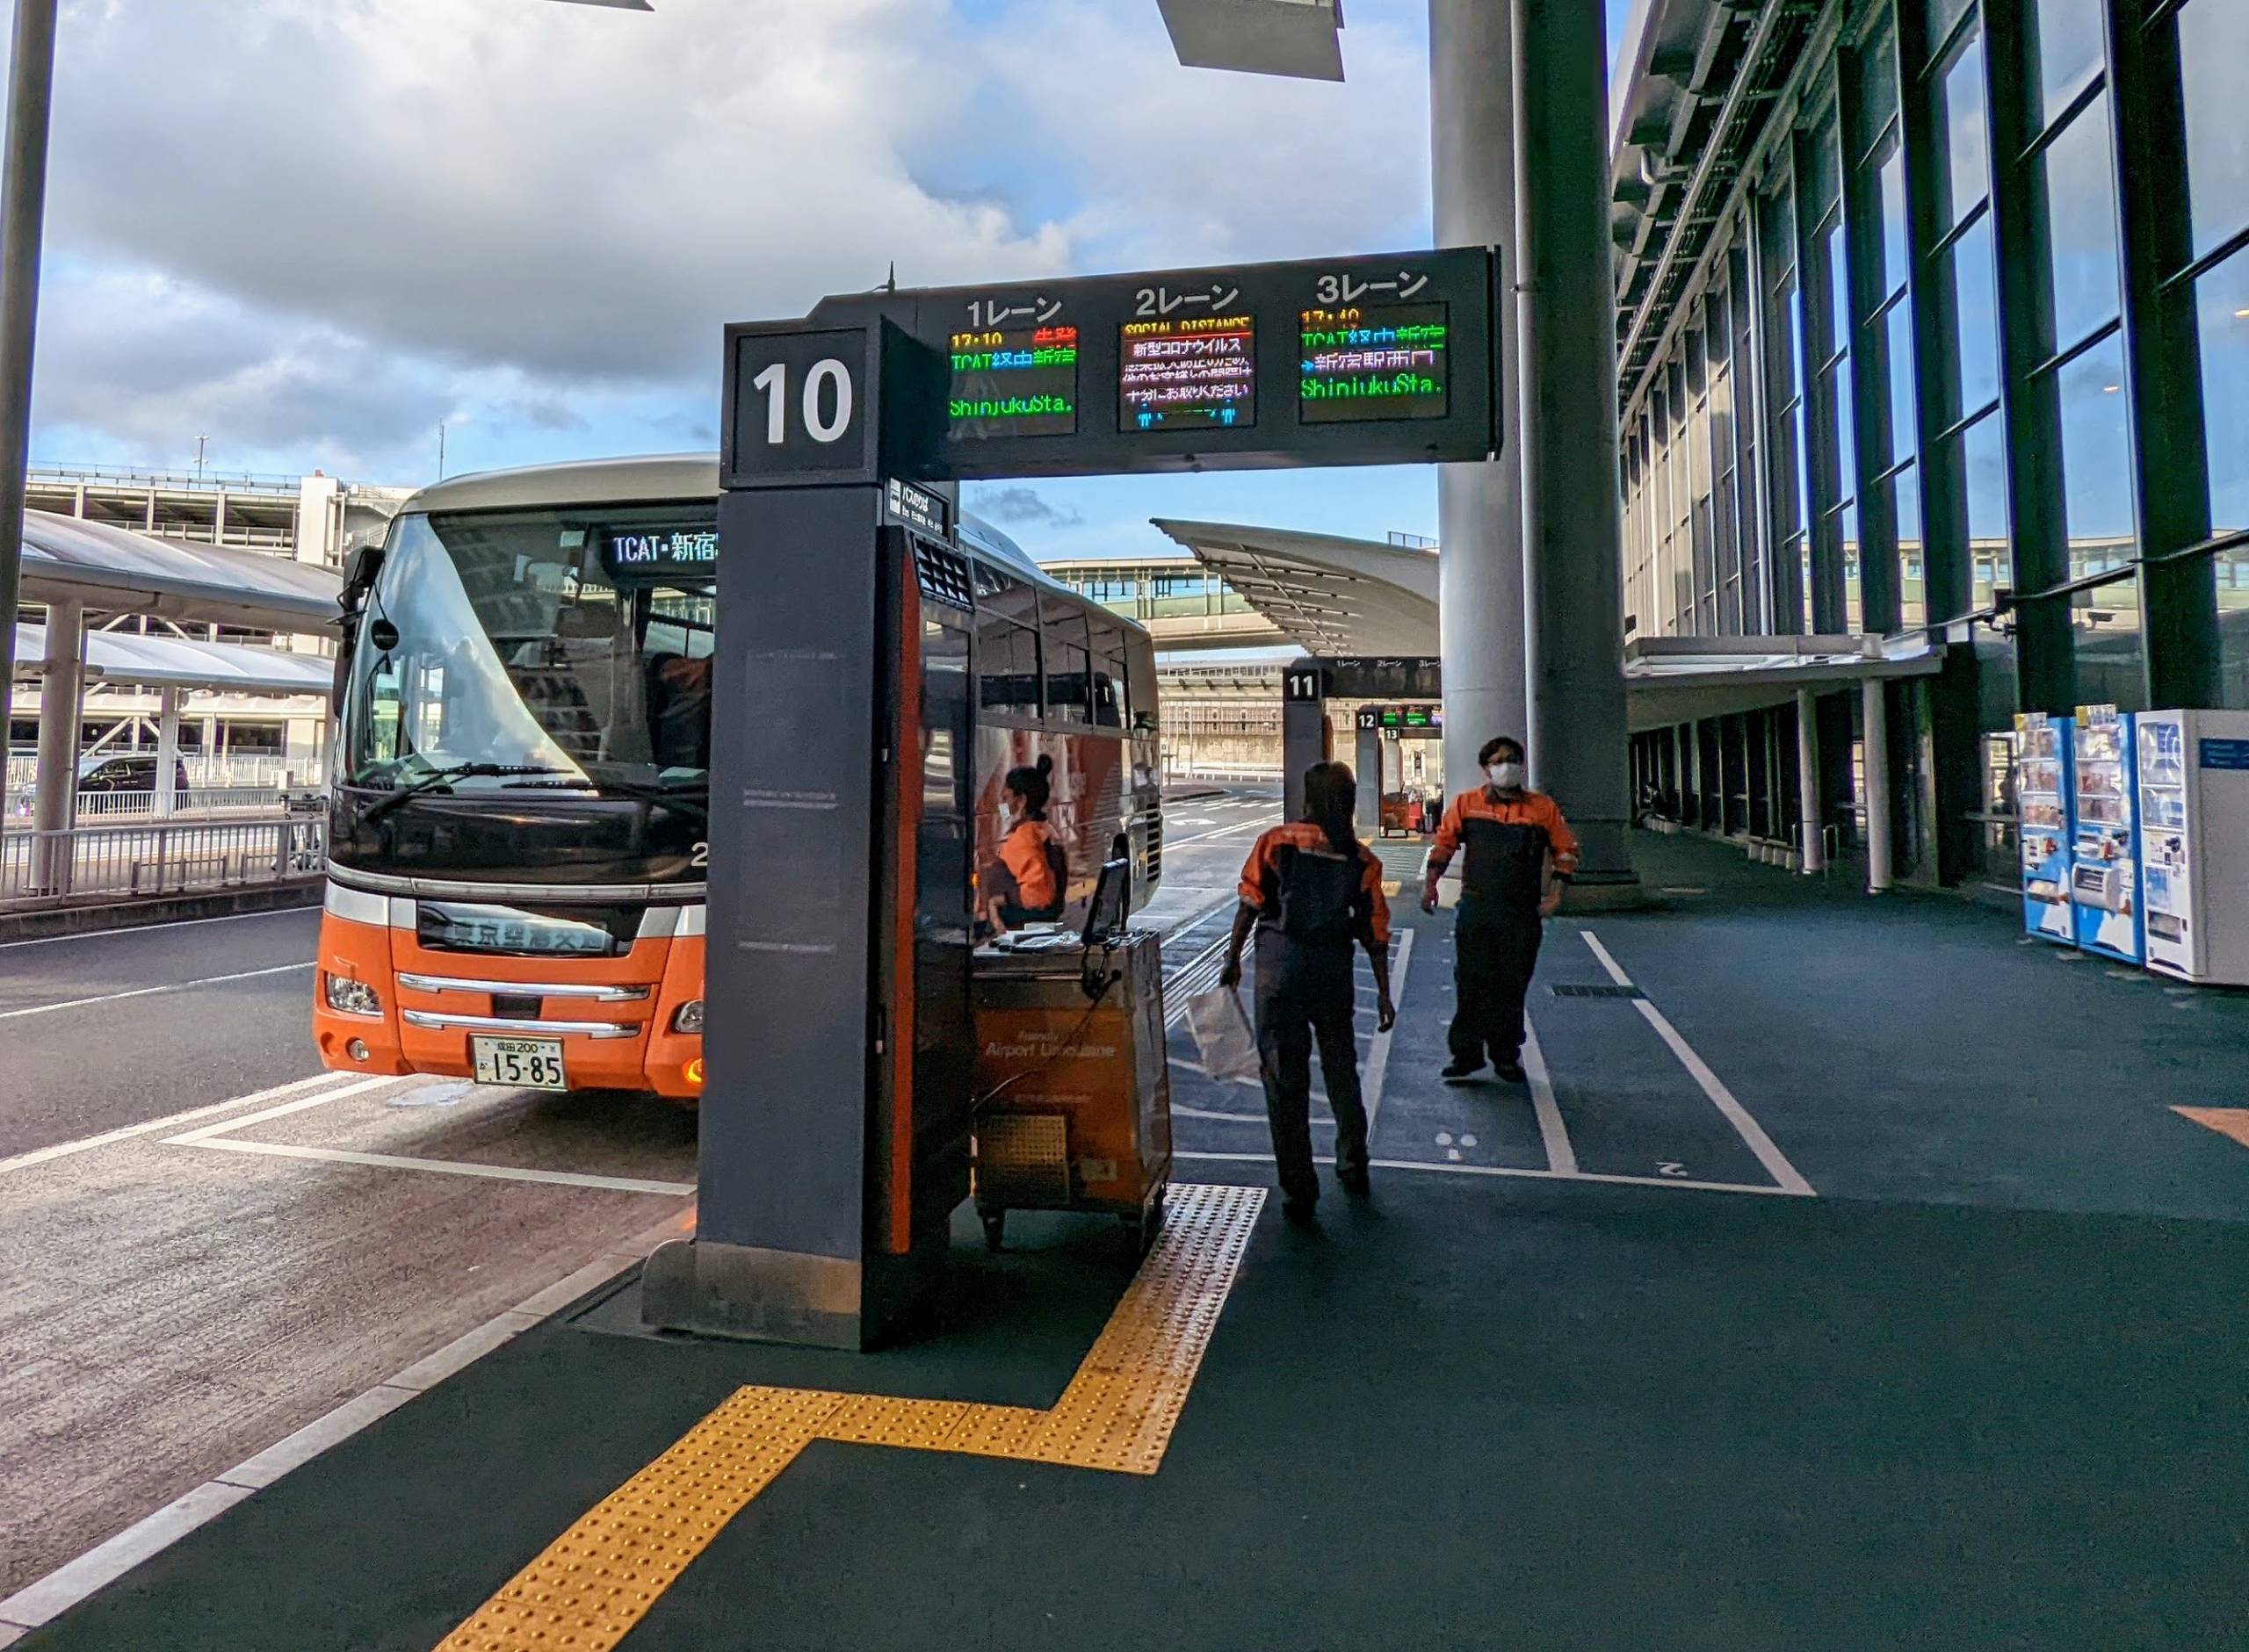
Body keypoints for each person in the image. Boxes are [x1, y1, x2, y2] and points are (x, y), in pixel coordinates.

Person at [1219, 761, 1397, 1223]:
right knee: (1341, 1070)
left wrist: (1232, 960)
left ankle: (1299, 1190)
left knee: (1284, 1082)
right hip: (1332, 974)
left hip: (1279, 974)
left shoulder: (1275, 842)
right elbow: (1375, 930)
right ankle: (1353, 1163)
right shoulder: (1361, 860)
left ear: (1308, 800)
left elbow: (1249, 903)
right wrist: (1383, 992)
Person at [1420, 737, 1579, 1086]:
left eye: (1511, 759)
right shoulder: (1467, 805)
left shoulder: (1542, 809)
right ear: (1486, 769)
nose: (1505, 766)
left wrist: (1555, 897)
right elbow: (1445, 844)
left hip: (1521, 913)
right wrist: (1430, 885)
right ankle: (1466, 1055)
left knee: (1512, 985)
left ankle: (1505, 1057)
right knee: (1471, 983)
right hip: (1477, 907)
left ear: (1521, 765)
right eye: (1497, 760)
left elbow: (1565, 851)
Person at [984, 756, 1067, 930]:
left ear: (1021, 801)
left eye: (1006, 798)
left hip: (1021, 925)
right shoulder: (1043, 828)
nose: (1002, 805)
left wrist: (997, 901)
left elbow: (1039, 894)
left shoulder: (1025, 837)